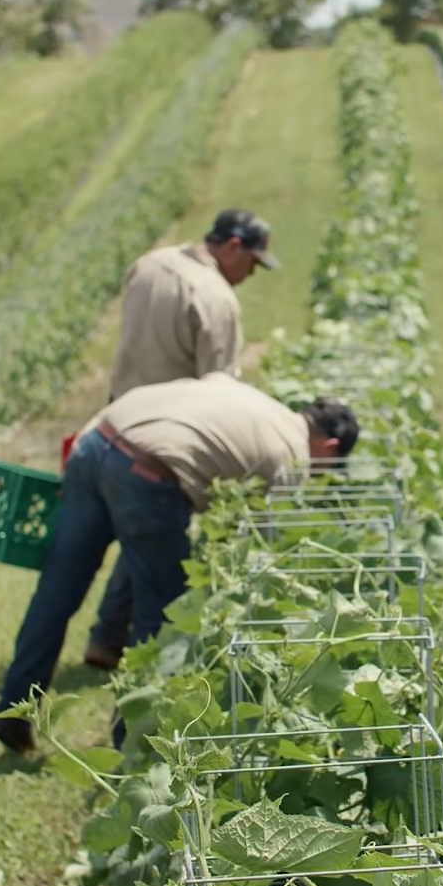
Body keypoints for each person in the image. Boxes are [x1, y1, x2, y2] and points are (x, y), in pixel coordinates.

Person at [0, 373, 357, 754]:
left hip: (96, 442)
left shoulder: (256, 401)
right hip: (146, 473)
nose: (319, 477)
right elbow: (260, 548)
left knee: (58, 589)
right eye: (328, 468)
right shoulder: (290, 457)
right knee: (162, 613)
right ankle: (130, 741)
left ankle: (11, 713)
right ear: (328, 447)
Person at [88, 209, 280, 670]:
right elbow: (221, 388)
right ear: (233, 247)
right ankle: (135, 647)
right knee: (154, 538)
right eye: (252, 263)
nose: (250, 275)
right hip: (168, 440)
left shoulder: (151, 264)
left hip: (117, 421)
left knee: (114, 537)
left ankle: (107, 635)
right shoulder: (217, 298)